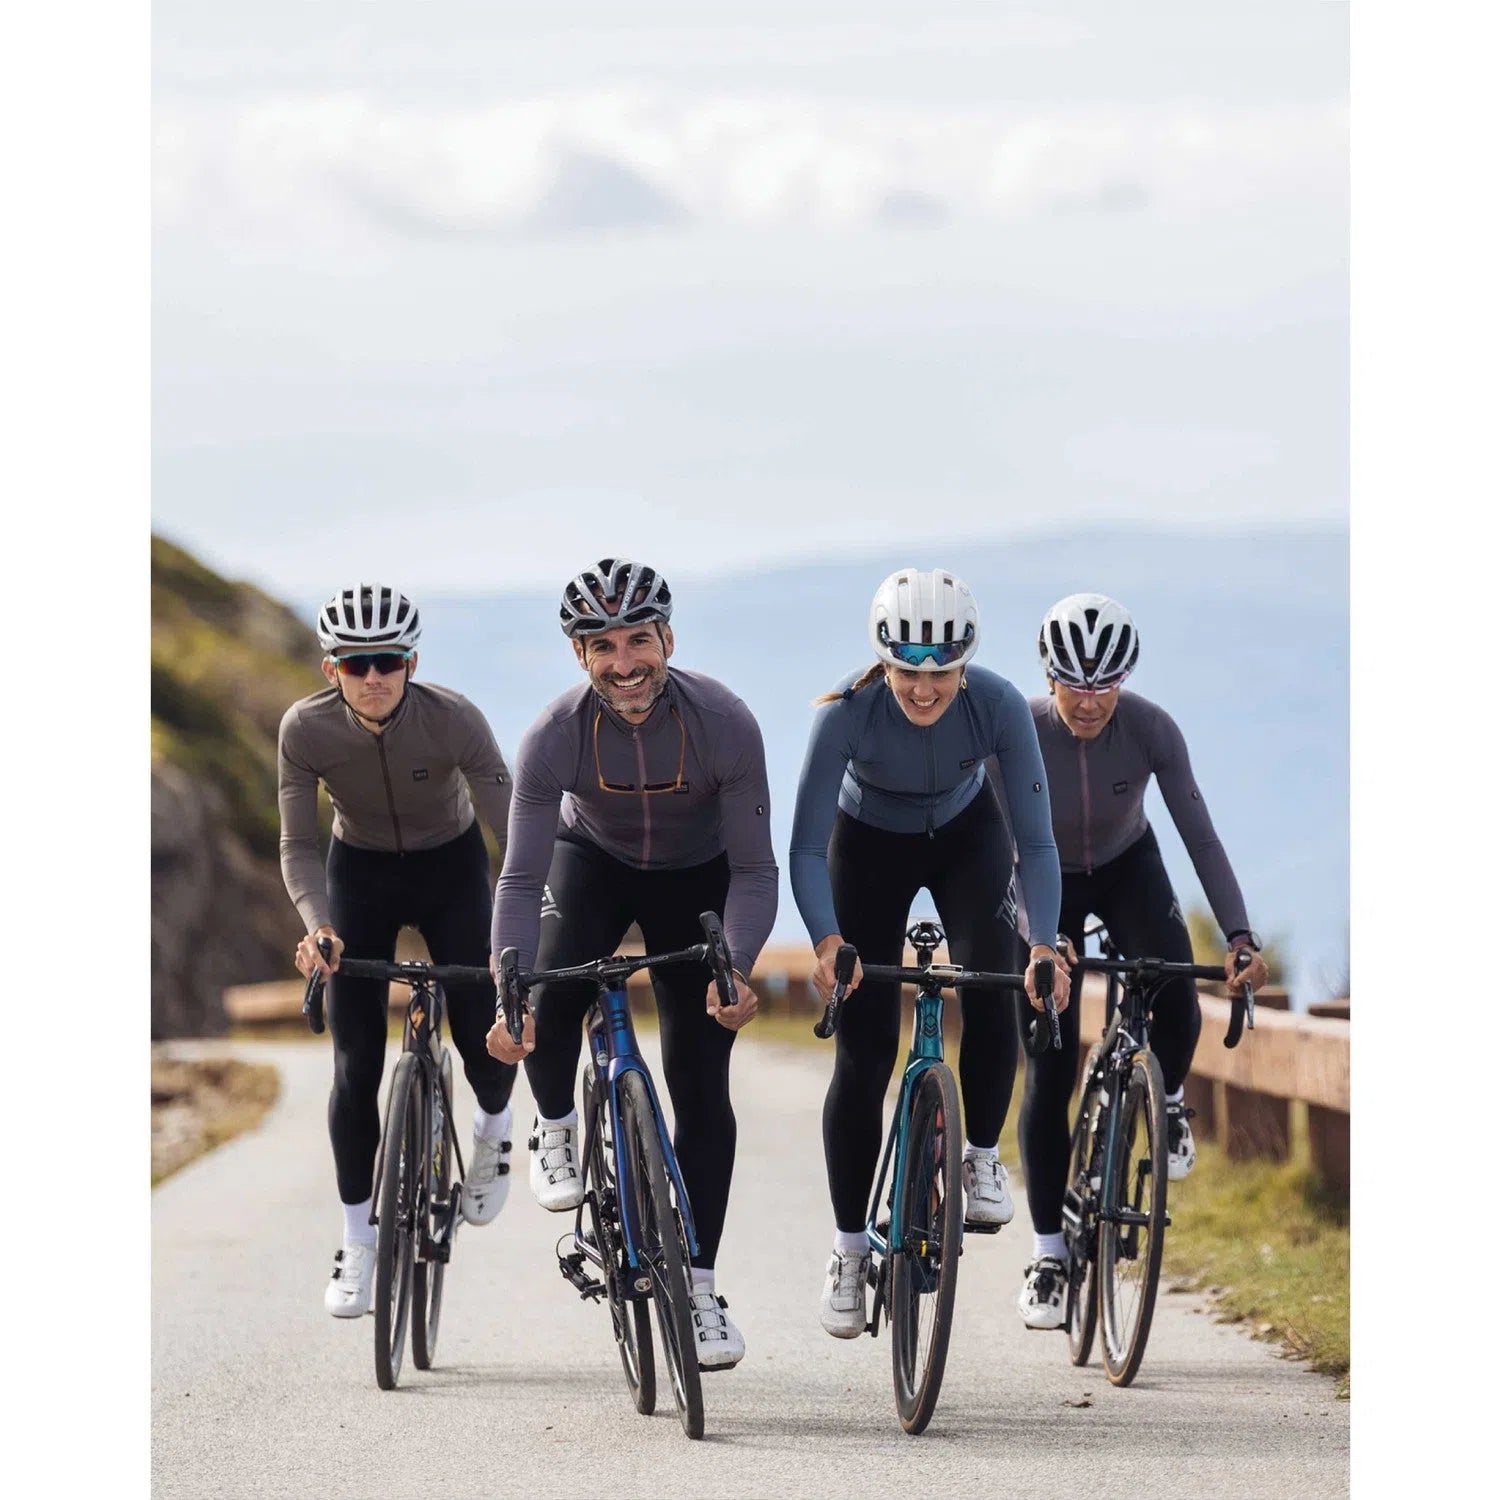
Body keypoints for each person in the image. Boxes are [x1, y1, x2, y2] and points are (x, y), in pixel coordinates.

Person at [485, 558, 778, 1370]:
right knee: (544, 998)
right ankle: (555, 1123)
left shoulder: (725, 722)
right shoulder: (553, 735)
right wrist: (509, 992)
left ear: (668, 640)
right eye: (603, 647)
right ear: (579, 655)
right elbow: (519, 880)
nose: (625, 664)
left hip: (698, 875)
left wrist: (736, 967)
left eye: (638, 641)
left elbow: (756, 870)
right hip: (593, 863)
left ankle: (701, 1288)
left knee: (701, 1079)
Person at [788, 567, 1070, 1339]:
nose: (922, 689)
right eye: (906, 672)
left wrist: (1043, 943)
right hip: (865, 847)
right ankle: (850, 1250)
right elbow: (806, 848)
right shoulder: (845, 713)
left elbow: (1037, 845)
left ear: (964, 664)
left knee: (996, 985)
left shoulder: (999, 706)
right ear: (883, 661)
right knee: (864, 1047)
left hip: (966, 838)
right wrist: (828, 941)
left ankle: (980, 1154)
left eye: (940, 673)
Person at [1013, 592, 1270, 1330]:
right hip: (1043, 878)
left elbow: (1201, 836)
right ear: (1049, 674)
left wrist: (1240, 936)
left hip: (1129, 865)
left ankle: (1169, 1100)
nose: (1090, 701)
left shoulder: (1152, 728)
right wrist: (1040, 939)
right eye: (1074, 683)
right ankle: (1049, 1256)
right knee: (1049, 1065)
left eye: (1107, 684)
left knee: (1179, 999)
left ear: (1125, 679)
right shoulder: (1019, 732)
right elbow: (1002, 852)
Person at [280, 583, 519, 1319]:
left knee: (483, 1034)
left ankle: (494, 1130)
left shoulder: (455, 719)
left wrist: (523, 920)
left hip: (453, 870)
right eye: (357, 664)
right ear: (332, 670)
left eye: (387, 660)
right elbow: (297, 844)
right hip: (361, 876)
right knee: (354, 1066)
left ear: (411, 662)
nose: (374, 676)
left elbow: (511, 830)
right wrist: (319, 926)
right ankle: (358, 1241)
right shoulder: (305, 729)